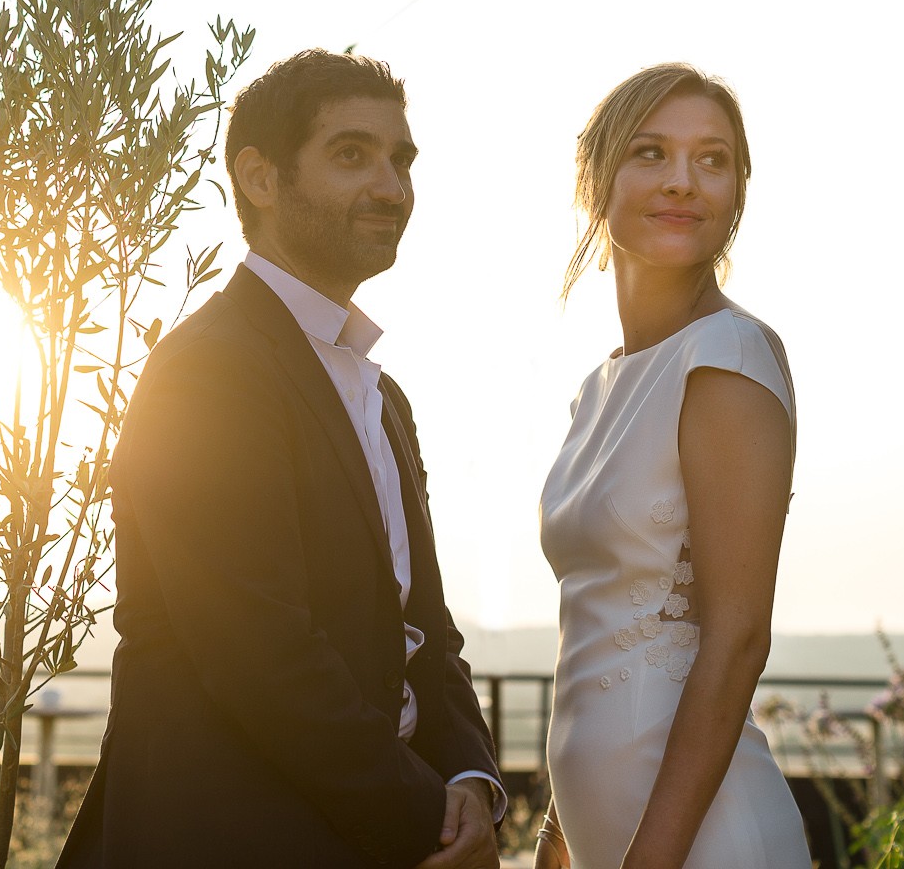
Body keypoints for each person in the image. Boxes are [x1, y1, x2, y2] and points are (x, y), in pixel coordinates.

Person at [58, 49, 503, 869]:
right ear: (259, 178)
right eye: (351, 155)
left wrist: (472, 780)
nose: (392, 186)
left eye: (400, 161)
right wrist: (426, 815)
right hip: (232, 837)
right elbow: (257, 651)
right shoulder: (208, 370)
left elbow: (425, 632)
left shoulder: (383, 397)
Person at [536, 63, 810, 869]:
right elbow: (606, 624)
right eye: (652, 153)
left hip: (706, 843)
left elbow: (734, 640)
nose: (684, 182)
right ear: (597, 180)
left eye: (713, 160)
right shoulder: (598, 388)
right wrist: (556, 839)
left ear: (738, 191)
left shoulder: (725, 360)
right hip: (602, 839)